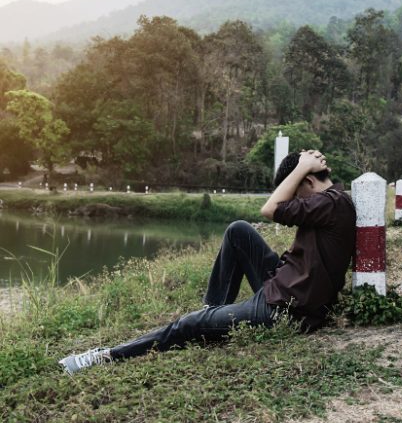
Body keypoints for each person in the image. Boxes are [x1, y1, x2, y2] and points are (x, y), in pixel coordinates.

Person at [58, 149, 357, 375]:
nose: (297, 201)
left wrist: (302, 166)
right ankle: (212, 312)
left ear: (307, 181)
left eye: (297, 193)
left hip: (285, 308)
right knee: (238, 231)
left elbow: (270, 208)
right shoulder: (332, 202)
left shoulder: (329, 203)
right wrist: (302, 169)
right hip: (286, 284)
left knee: (186, 325)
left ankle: (105, 356)